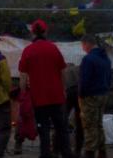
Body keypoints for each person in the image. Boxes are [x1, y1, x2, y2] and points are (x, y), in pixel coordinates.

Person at [18, 19, 73, 158]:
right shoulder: (53, 48)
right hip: (56, 96)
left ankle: (45, 154)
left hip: (38, 97)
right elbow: (63, 71)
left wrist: (23, 93)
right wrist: (64, 89)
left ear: (32, 33)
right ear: (45, 32)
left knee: (43, 128)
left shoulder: (28, 51)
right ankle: (66, 153)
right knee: (61, 128)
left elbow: (23, 76)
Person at [79, 34, 111, 158]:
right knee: (98, 124)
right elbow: (109, 78)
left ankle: (89, 153)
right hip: (103, 94)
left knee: (89, 125)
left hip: (90, 96)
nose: (83, 48)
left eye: (83, 45)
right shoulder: (106, 58)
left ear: (87, 43)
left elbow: (84, 80)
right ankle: (102, 152)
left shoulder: (88, 59)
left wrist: (81, 95)